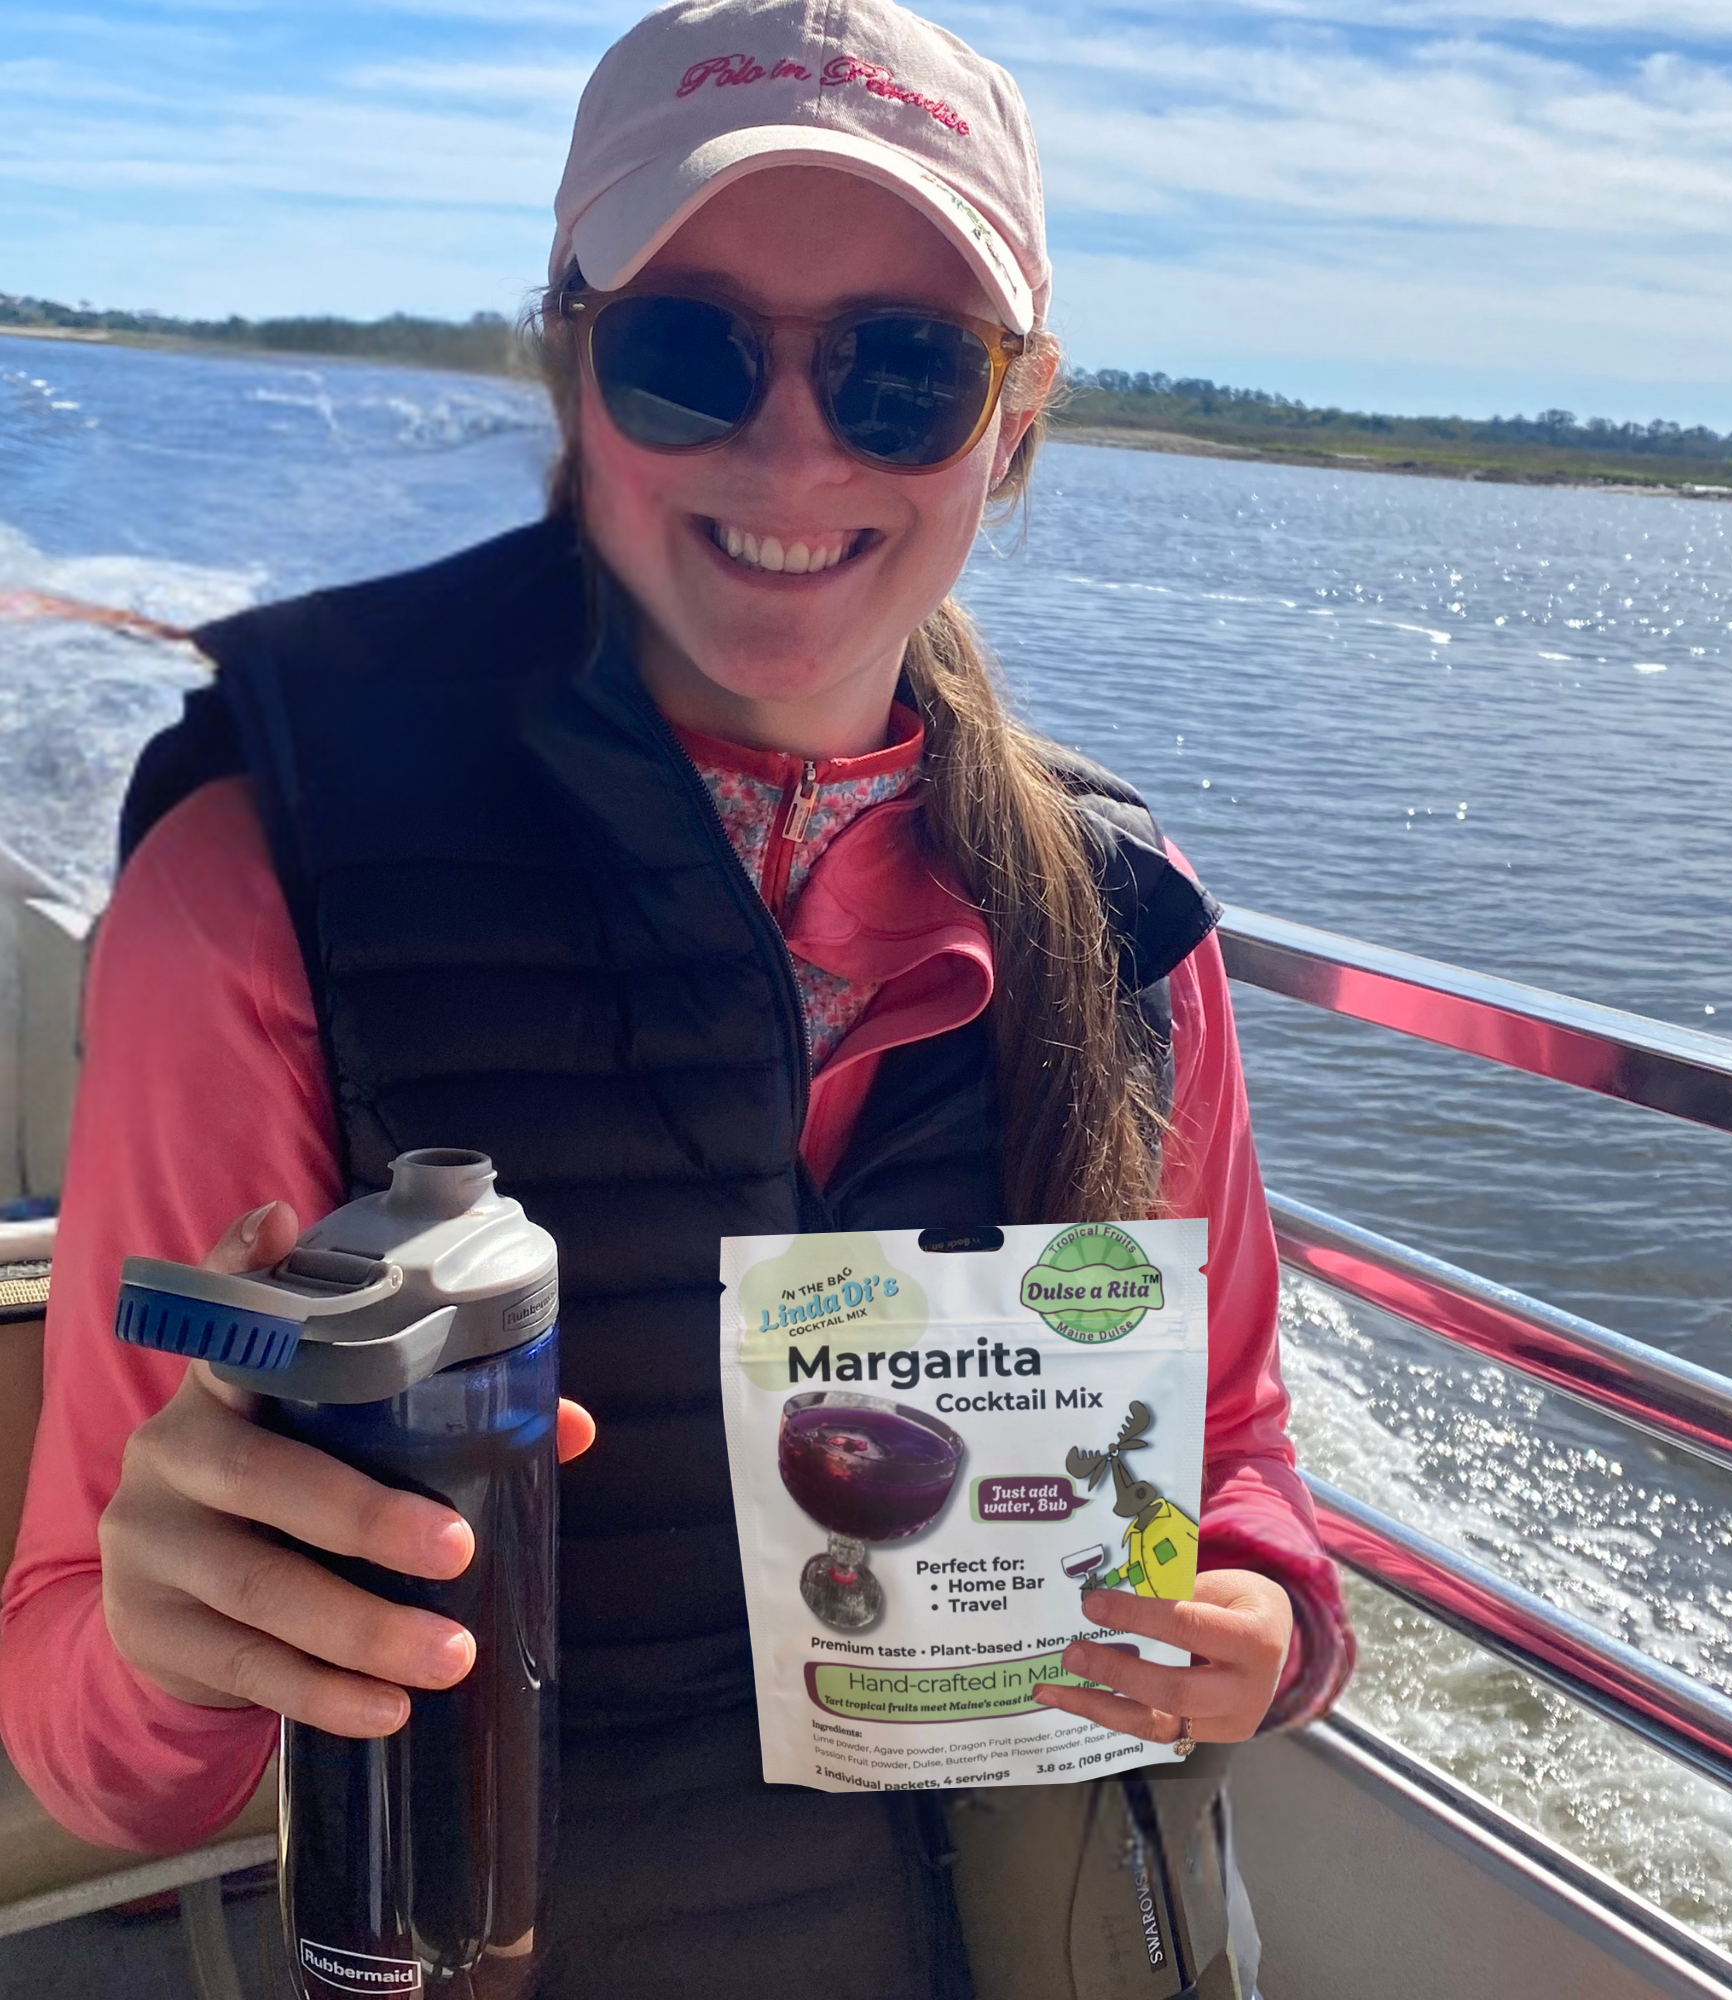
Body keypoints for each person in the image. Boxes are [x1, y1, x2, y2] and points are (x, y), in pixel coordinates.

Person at [0, 0, 1351, 1990]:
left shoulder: (1119, 919)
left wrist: (1265, 1622)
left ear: (1018, 412)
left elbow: (1232, 1455)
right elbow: (94, 1747)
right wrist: (170, 1628)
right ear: (570, 359)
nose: (794, 447)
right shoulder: (254, 888)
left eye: (905, 369)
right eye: (689, 351)